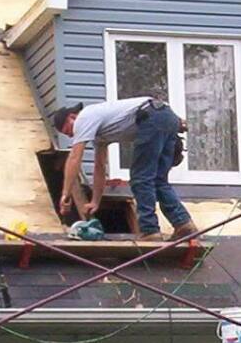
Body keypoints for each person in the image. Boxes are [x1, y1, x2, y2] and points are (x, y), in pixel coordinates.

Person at [49, 98, 196, 242]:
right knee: (158, 180)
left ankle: (150, 230)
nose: (71, 135)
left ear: (72, 117)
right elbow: (99, 166)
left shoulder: (84, 117)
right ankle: (184, 224)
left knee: (140, 178)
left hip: (151, 116)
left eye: (68, 130)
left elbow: (75, 157)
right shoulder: (99, 134)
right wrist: (95, 201)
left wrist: (65, 194)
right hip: (166, 116)